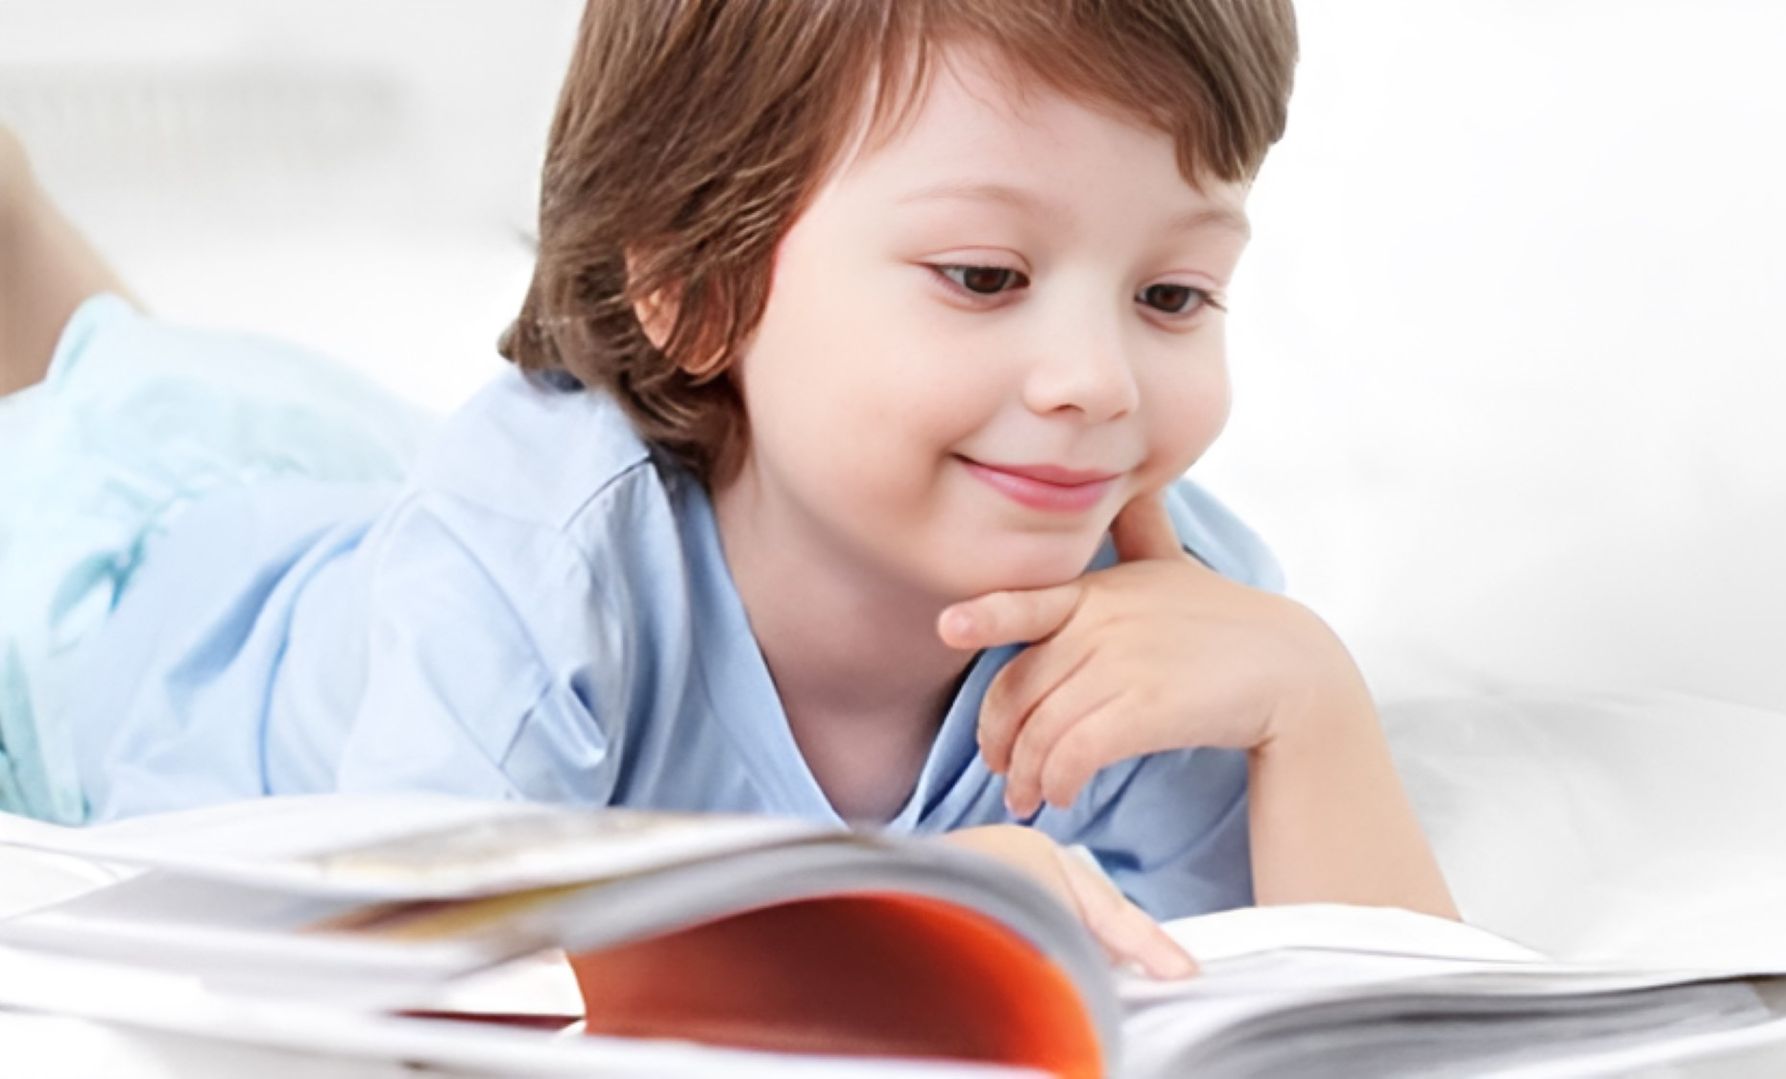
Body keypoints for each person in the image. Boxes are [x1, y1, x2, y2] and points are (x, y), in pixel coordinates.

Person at [0, 0, 1455, 975]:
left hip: (359, 506)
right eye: (985, 276)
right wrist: (878, 909)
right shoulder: (534, 556)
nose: (1098, 381)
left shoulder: (1167, 627)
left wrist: (1310, 711)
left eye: (1176, 293)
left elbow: (1358, 1012)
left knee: (156, 378)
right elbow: (425, 947)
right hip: (128, 629)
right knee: (78, 404)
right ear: (698, 289)